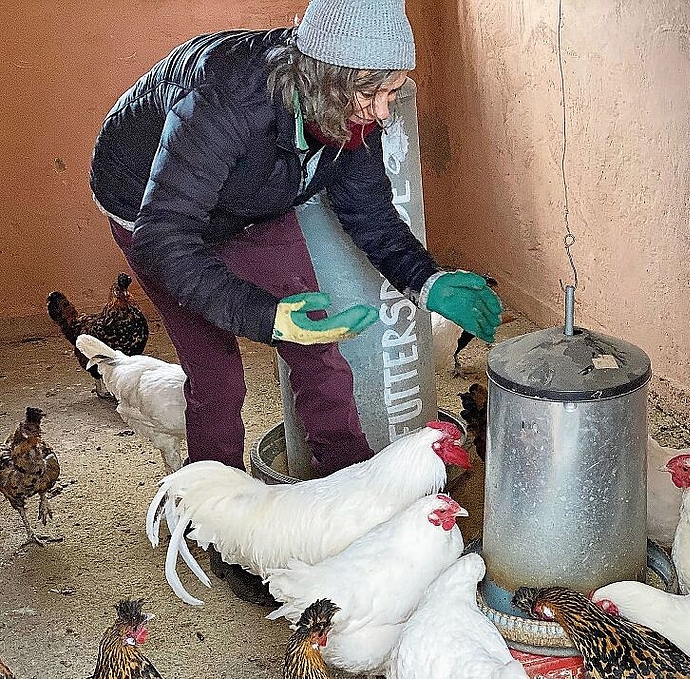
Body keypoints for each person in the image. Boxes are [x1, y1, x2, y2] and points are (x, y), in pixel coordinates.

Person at [90, 0, 501, 600]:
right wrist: (265, 315)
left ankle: (354, 508)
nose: (386, 110)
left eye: (393, 92)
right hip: (153, 213)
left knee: (321, 347)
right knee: (217, 377)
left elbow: (371, 215)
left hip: (255, 195)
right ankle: (218, 534)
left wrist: (427, 281)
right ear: (332, 81)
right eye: (377, 95)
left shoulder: (346, 117)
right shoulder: (225, 101)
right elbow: (165, 234)